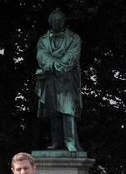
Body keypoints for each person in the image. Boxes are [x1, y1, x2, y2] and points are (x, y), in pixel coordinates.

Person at [35, 8, 83, 152]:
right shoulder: (43, 40)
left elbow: (72, 57)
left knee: (68, 110)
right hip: (50, 80)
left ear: (63, 22)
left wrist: (55, 66)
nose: (56, 23)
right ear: (50, 22)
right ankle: (56, 142)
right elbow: (42, 56)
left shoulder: (74, 38)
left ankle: (71, 142)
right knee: (53, 111)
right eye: (54, 21)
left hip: (67, 79)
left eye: (59, 20)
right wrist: (57, 65)